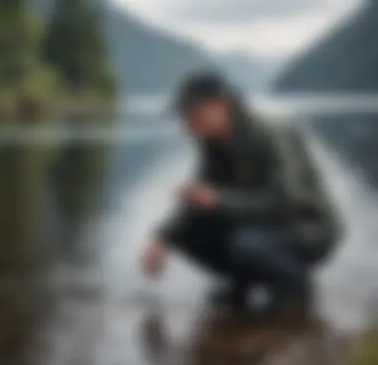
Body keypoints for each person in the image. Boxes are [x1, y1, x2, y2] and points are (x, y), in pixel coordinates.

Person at [141, 72, 343, 312]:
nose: (189, 128)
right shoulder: (212, 142)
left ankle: (295, 285)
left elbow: (287, 201)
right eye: (185, 118)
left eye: (195, 116)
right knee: (187, 233)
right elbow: (200, 199)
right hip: (261, 225)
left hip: (310, 226)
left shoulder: (271, 136)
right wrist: (163, 238)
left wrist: (220, 200)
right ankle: (241, 284)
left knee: (246, 244)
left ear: (222, 105)